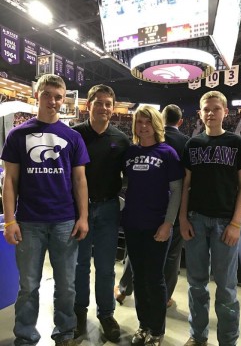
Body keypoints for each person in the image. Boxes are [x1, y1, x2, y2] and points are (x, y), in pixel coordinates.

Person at [1, 74, 89, 346]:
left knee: (66, 286)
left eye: (58, 96)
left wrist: (83, 217)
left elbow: (79, 180)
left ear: (64, 100)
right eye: (47, 94)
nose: (53, 101)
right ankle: (26, 336)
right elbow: (10, 181)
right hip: (29, 221)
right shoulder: (18, 135)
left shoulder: (72, 137)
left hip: (64, 221)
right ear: (37, 95)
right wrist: (10, 220)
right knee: (28, 286)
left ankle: (64, 332)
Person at [179, 90, 241, 346]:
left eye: (215, 108)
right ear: (200, 113)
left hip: (225, 224)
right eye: (206, 109)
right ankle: (198, 335)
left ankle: (227, 340)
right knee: (196, 285)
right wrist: (183, 219)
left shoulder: (236, 143)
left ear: (225, 112)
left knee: (226, 288)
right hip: (196, 220)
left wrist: (236, 223)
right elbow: (186, 185)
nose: (210, 113)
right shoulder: (193, 144)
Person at [122, 105, 185, 345]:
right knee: (138, 277)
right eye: (139, 122)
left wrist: (168, 223)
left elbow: (177, 190)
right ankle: (143, 325)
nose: (143, 126)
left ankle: (157, 330)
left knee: (155, 278)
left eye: (148, 122)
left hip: (158, 226)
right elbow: (125, 184)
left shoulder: (167, 152)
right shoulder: (129, 153)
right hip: (133, 224)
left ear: (156, 124)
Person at [73, 84, 130, 342]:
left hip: (108, 209)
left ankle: (106, 313)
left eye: (109, 103)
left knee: (106, 267)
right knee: (80, 265)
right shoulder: (74, 135)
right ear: (89, 105)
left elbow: (131, 178)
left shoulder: (121, 140)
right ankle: (79, 311)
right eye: (99, 103)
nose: (105, 108)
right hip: (79, 209)